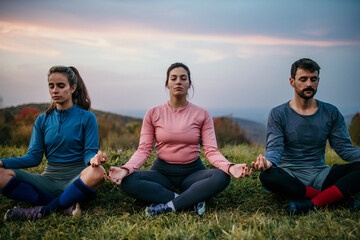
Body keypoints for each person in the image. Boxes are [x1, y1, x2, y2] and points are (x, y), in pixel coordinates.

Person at [108, 62, 252, 216]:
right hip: (162, 172)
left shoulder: (202, 114)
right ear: (167, 83)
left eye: (183, 78)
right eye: (174, 78)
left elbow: (211, 151)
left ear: (189, 84)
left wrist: (229, 167)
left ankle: (169, 206)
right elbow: (143, 150)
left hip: (193, 173)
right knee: (128, 181)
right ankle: (188, 202)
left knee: (222, 176)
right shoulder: (153, 113)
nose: (178, 82)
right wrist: (125, 169)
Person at [251, 58, 360, 214]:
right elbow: (275, 147)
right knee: (267, 177)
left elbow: (344, 149)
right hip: (289, 175)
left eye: (313, 79)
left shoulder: (331, 112)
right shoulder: (278, 113)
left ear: (318, 80)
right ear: (292, 81)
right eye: (303, 79)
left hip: (321, 174)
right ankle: (333, 199)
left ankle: (311, 204)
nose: (309, 84)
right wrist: (267, 162)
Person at [0, 66, 107, 221]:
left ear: (73, 88)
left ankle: (42, 211)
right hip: (48, 180)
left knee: (98, 172)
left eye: (61, 86)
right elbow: (33, 158)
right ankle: (65, 205)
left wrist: (93, 159)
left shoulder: (87, 118)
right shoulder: (42, 120)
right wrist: (2, 162)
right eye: (51, 86)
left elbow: (89, 152)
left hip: (77, 179)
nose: (55, 90)